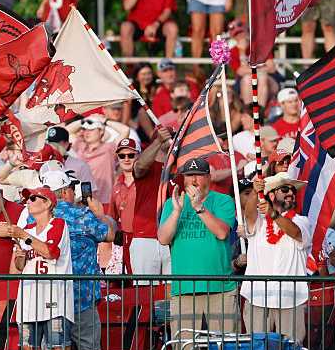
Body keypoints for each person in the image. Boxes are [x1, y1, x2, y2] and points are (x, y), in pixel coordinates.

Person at [0, 186, 74, 350]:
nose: (27, 202)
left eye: (33, 198)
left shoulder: (58, 224)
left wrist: (23, 235)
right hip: (29, 299)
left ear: (47, 203)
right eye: (27, 199)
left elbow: (51, 252)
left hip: (55, 299)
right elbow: (15, 271)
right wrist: (19, 259)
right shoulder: (25, 229)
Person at [158, 158, 238, 335]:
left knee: (224, 349)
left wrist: (199, 207)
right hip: (184, 289)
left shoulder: (223, 200)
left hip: (220, 289)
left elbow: (222, 233)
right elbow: (163, 238)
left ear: (209, 177)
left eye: (199, 175)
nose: (194, 180)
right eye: (189, 175)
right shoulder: (172, 203)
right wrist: (177, 212)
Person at [49, 171, 115, 350]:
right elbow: (109, 235)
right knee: (88, 347)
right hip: (83, 293)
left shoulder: (39, 217)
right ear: (65, 192)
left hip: (52, 295)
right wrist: (99, 214)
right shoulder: (83, 215)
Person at [240, 172, 312, 343]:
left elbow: (295, 232)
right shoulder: (259, 221)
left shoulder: (302, 220)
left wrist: (273, 214)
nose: (291, 193)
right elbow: (249, 215)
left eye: (293, 190)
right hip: (257, 297)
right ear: (271, 195)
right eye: (285, 189)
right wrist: (254, 192)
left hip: (291, 298)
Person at [109, 130, 173, 275]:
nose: (126, 159)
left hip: (175, 237)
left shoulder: (181, 167)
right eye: (122, 156)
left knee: (173, 290)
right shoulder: (145, 168)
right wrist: (158, 141)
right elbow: (139, 167)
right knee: (144, 291)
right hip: (145, 236)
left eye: (131, 155)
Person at [67, 114, 131, 206]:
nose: (87, 133)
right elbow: (66, 131)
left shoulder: (109, 148)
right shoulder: (80, 146)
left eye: (91, 129)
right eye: (85, 129)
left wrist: (104, 121)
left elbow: (125, 130)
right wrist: (84, 120)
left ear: (101, 131)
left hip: (104, 201)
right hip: (83, 202)